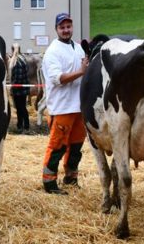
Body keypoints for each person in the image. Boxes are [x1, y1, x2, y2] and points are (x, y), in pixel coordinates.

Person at [40, 12, 88, 194]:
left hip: (78, 107)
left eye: (68, 26)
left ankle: (71, 177)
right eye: (62, 27)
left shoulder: (78, 48)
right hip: (61, 107)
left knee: (76, 146)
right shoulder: (52, 52)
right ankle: (49, 183)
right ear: (56, 29)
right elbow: (57, 79)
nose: (66, 30)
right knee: (57, 146)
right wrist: (82, 72)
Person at [9, 43, 31, 131]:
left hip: (19, 89)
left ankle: (22, 126)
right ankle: (24, 125)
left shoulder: (17, 61)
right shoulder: (23, 58)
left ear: (12, 50)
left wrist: (13, 87)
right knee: (22, 107)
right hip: (23, 89)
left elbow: (18, 77)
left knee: (20, 108)